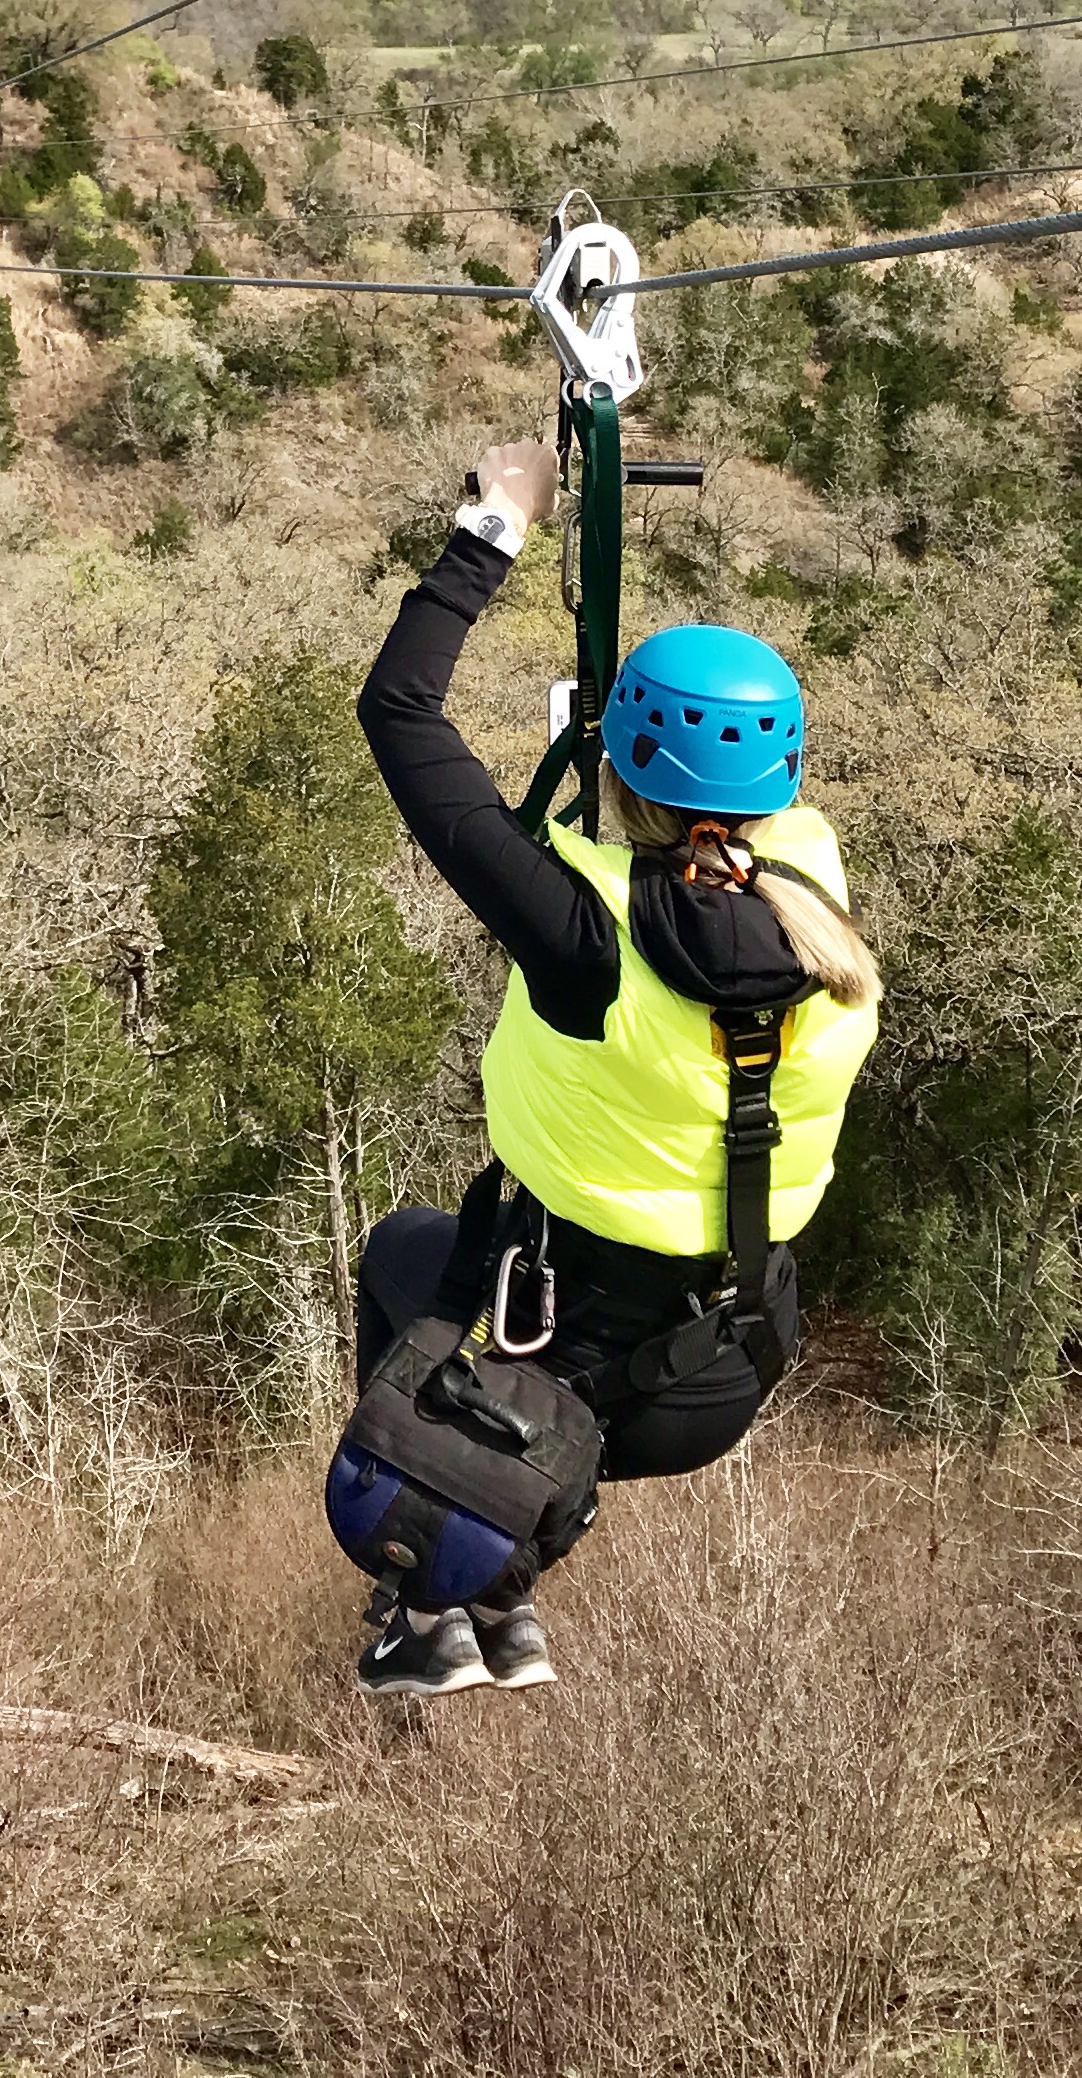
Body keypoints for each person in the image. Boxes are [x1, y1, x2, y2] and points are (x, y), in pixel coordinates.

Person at [343, 438, 882, 1696]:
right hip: (719, 1375)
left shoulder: (584, 926)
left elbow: (398, 709)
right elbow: (719, 848)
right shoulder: (824, 910)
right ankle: (510, 1596)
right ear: (783, 778)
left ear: (623, 771)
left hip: (564, 1367)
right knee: (492, 1290)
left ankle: (434, 1602)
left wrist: (496, 524)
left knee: (401, 1262)